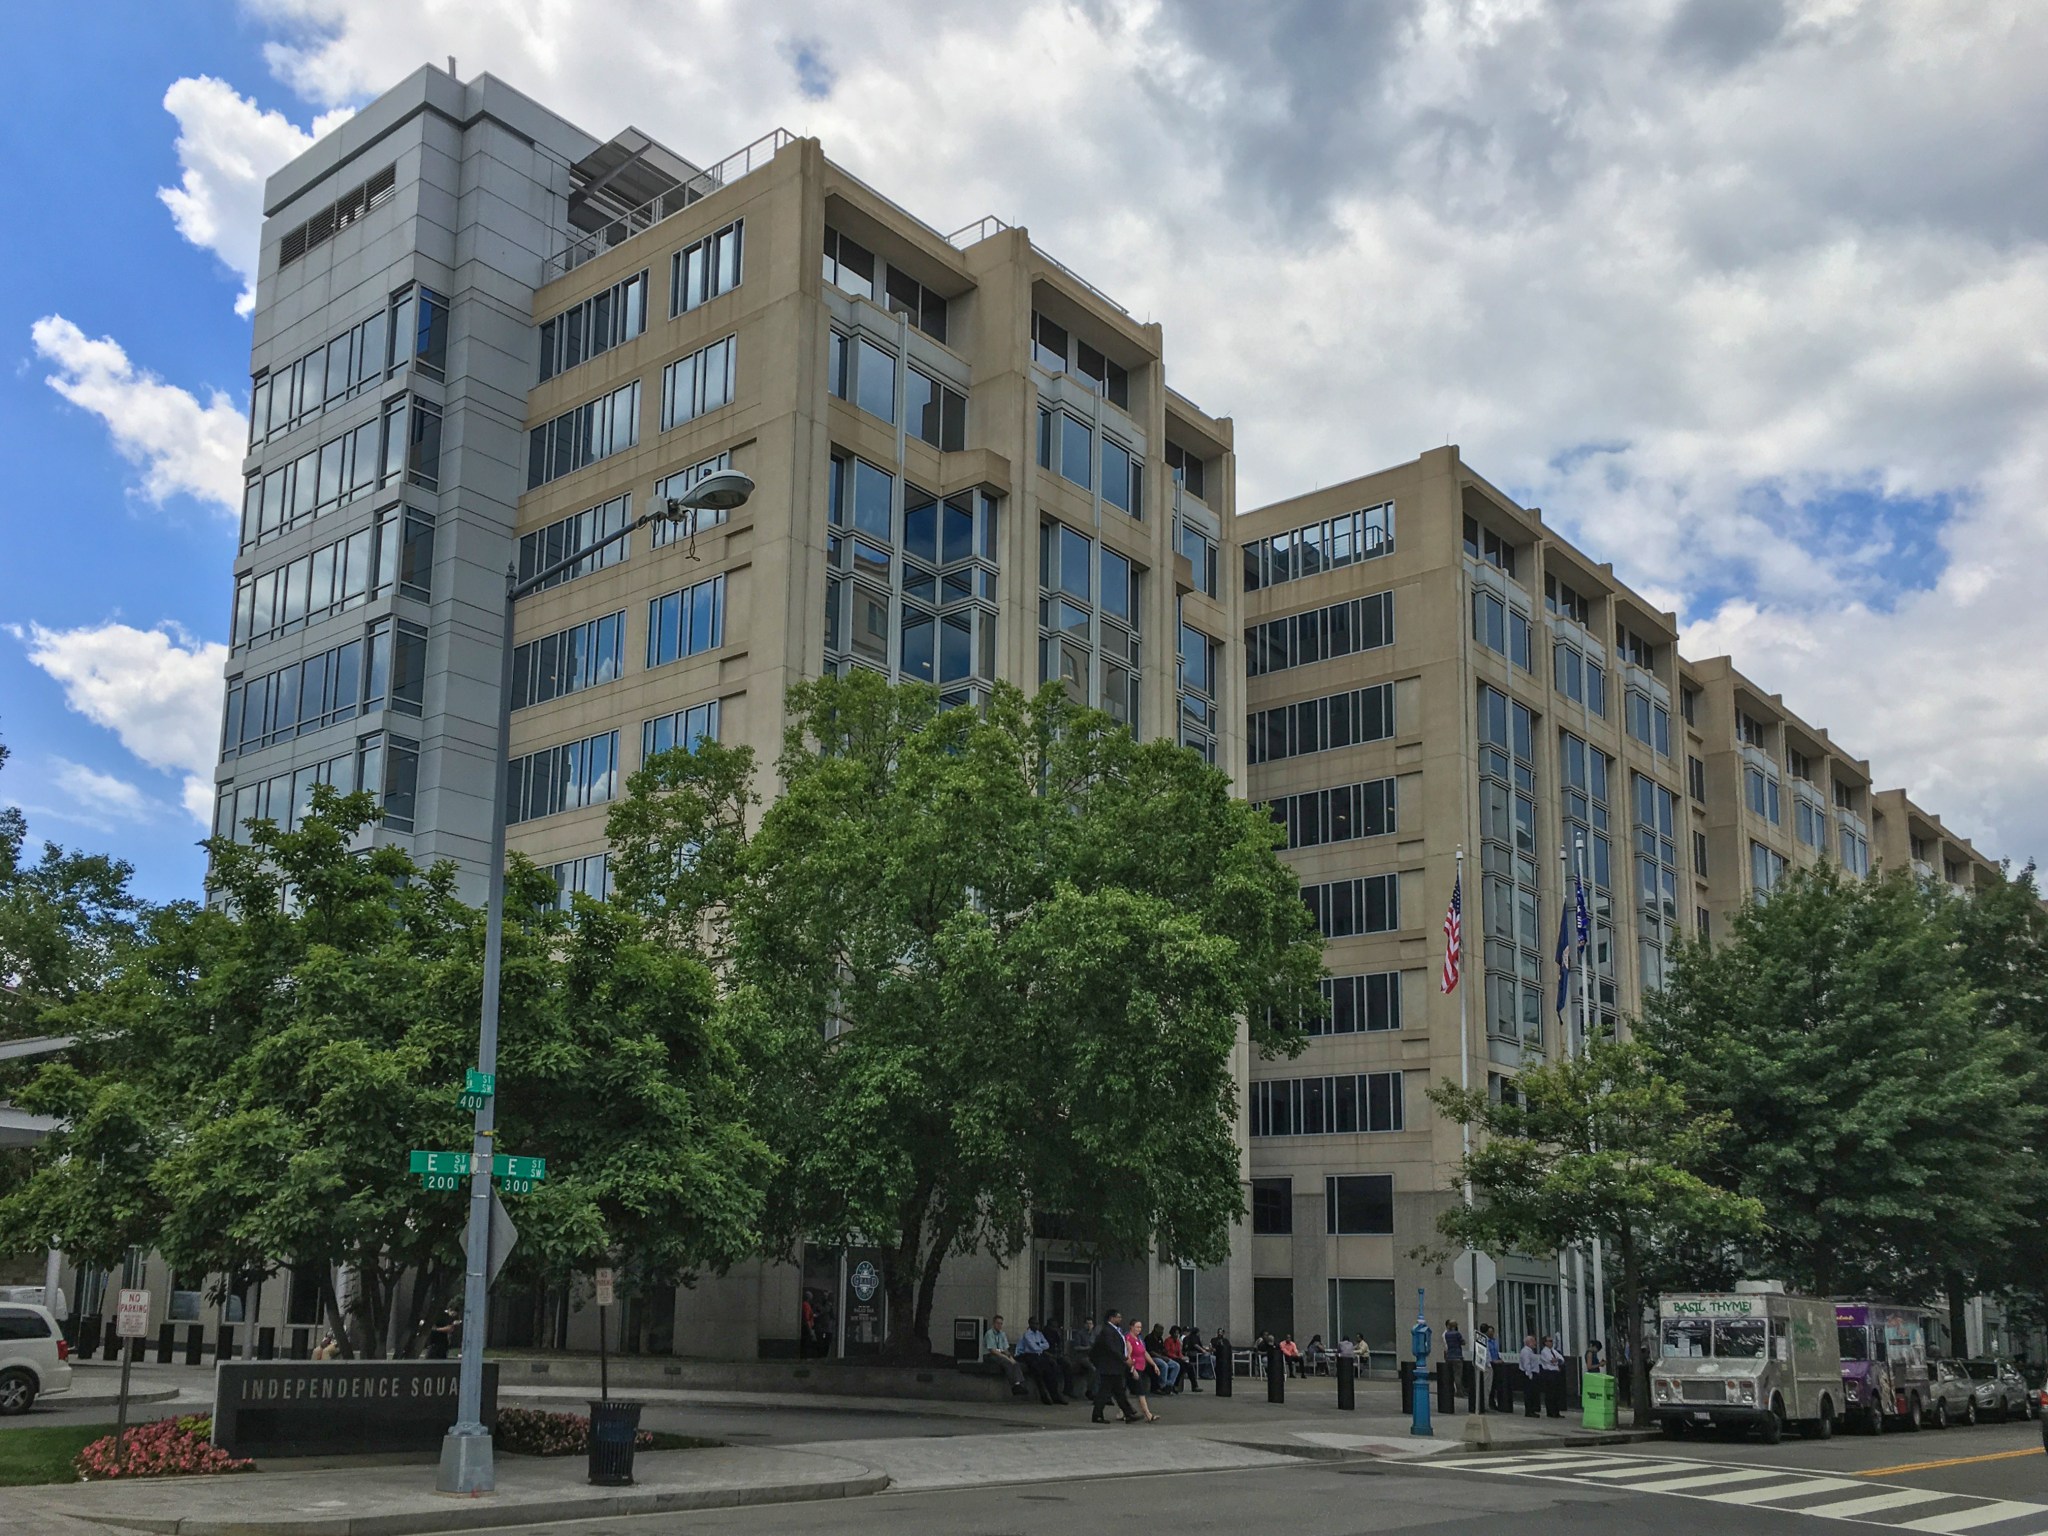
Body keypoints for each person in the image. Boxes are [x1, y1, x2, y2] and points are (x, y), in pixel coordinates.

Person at [1090, 1309, 1138, 1423]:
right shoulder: (1107, 1331)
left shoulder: (1115, 1330)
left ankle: (1128, 1413)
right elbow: (1112, 1348)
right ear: (1111, 1318)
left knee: (1118, 1391)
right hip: (1109, 1366)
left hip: (1114, 1366)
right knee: (1105, 1392)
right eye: (1118, 1317)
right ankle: (1097, 1415)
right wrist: (1125, 1359)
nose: (1120, 1319)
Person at [1016, 1318, 1066, 1405]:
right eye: (1034, 1324)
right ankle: (1044, 1395)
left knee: (1050, 1370)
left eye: (1038, 1324)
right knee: (1037, 1371)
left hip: (1038, 1355)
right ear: (1030, 1324)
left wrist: (1039, 1345)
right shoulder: (1027, 1334)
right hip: (1026, 1355)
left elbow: (1047, 1345)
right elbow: (1033, 1348)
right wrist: (1040, 1346)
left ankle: (1055, 1395)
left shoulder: (1039, 1334)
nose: (1037, 1326)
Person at [983, 1314, 1028, 1396]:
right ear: (993, 1323)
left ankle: (1018, 1384)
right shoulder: (989, 1334)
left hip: (1001, 1353)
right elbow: (992, 1350)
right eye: (997, 1323)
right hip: (990, 1355)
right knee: (1006, 1362)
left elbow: (1006, 1349)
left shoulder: (1002, 1334)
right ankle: (1014, 1385)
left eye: (1001, 1323)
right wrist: (1005, 1357)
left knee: (1015, 1363)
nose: (999, 1325)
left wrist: (1010, 1357)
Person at [1127, 1320, 1160, 1421]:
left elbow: (1144, 1352)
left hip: (1142, 1367)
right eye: (1137, 1327)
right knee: (1140, 1392)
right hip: (1134, 1368)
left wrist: (1154, 1364)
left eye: (1140, 1327)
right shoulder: (1129, 1339)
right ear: (1131, 1327)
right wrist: (1133, 1369)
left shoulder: (1139, 1339)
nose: (1139, 1329)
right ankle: (1148, 1414)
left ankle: (1123, 1412)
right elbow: (1128, 1356)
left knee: (1127, 1391)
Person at [1538, 1334, 1565, 1417]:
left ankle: (1556, 1411)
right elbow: (1551, 1361)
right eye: (1549, 1341)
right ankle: (1550, 1411)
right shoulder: (1544, 1352)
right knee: (1550, 1393)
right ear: (1545, 1343)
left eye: (1552, 1341)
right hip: (1549, 1373)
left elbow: (1561, 1359)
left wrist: (1557, 1361)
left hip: (1556, 1372)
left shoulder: (1554, 1350)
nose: (1551, 1343)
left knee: (1556, 1393)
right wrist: (1557, 1361)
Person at [1477, 1323, 1500, 1412]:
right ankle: (1485, 1405)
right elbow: (1486, 1354)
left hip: (1485, 1364)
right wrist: (1489, 1363)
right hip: (1487, 1365)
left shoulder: (1481, 1339)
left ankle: (1484, 1404)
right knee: (1487, 1386)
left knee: (1487, 1386)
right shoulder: (1484, 1340)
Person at [1444, 1318, 1466, 1404]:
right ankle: (1459, 1392)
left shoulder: (1447, 1334)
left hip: (1449, 1356)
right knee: (1458, 1375)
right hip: (1457, 1356)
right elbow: (1462, 1342)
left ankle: (1450, 1391)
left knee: (1450, 1375)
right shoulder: (1457, 1334)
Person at [1519, 1334, 1541, 1417]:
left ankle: (1532, 1409)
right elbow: (1526, 1364)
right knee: (1529, 1393)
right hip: (1528, 1374)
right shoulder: (1525, 1351)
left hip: (1532, 1373)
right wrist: (1529, 1374)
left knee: (1532, 1393)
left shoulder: (1530, 1351)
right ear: (1529, 1342)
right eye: (1533, 1341)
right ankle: (1529, 1411)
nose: (1535, 1343)